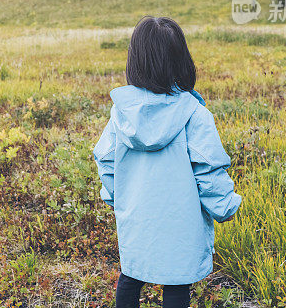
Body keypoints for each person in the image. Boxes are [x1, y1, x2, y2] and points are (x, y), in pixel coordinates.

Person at [93, 16, 242, 308]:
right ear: (181, 60)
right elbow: (209, 170)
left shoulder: (121, 112)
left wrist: (115, 198)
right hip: (180, 223)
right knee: (176, 285)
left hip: (136, 219)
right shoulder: (195, 115)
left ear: (135, 60)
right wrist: (225, 206)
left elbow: (106, 159)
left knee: (131, 274)